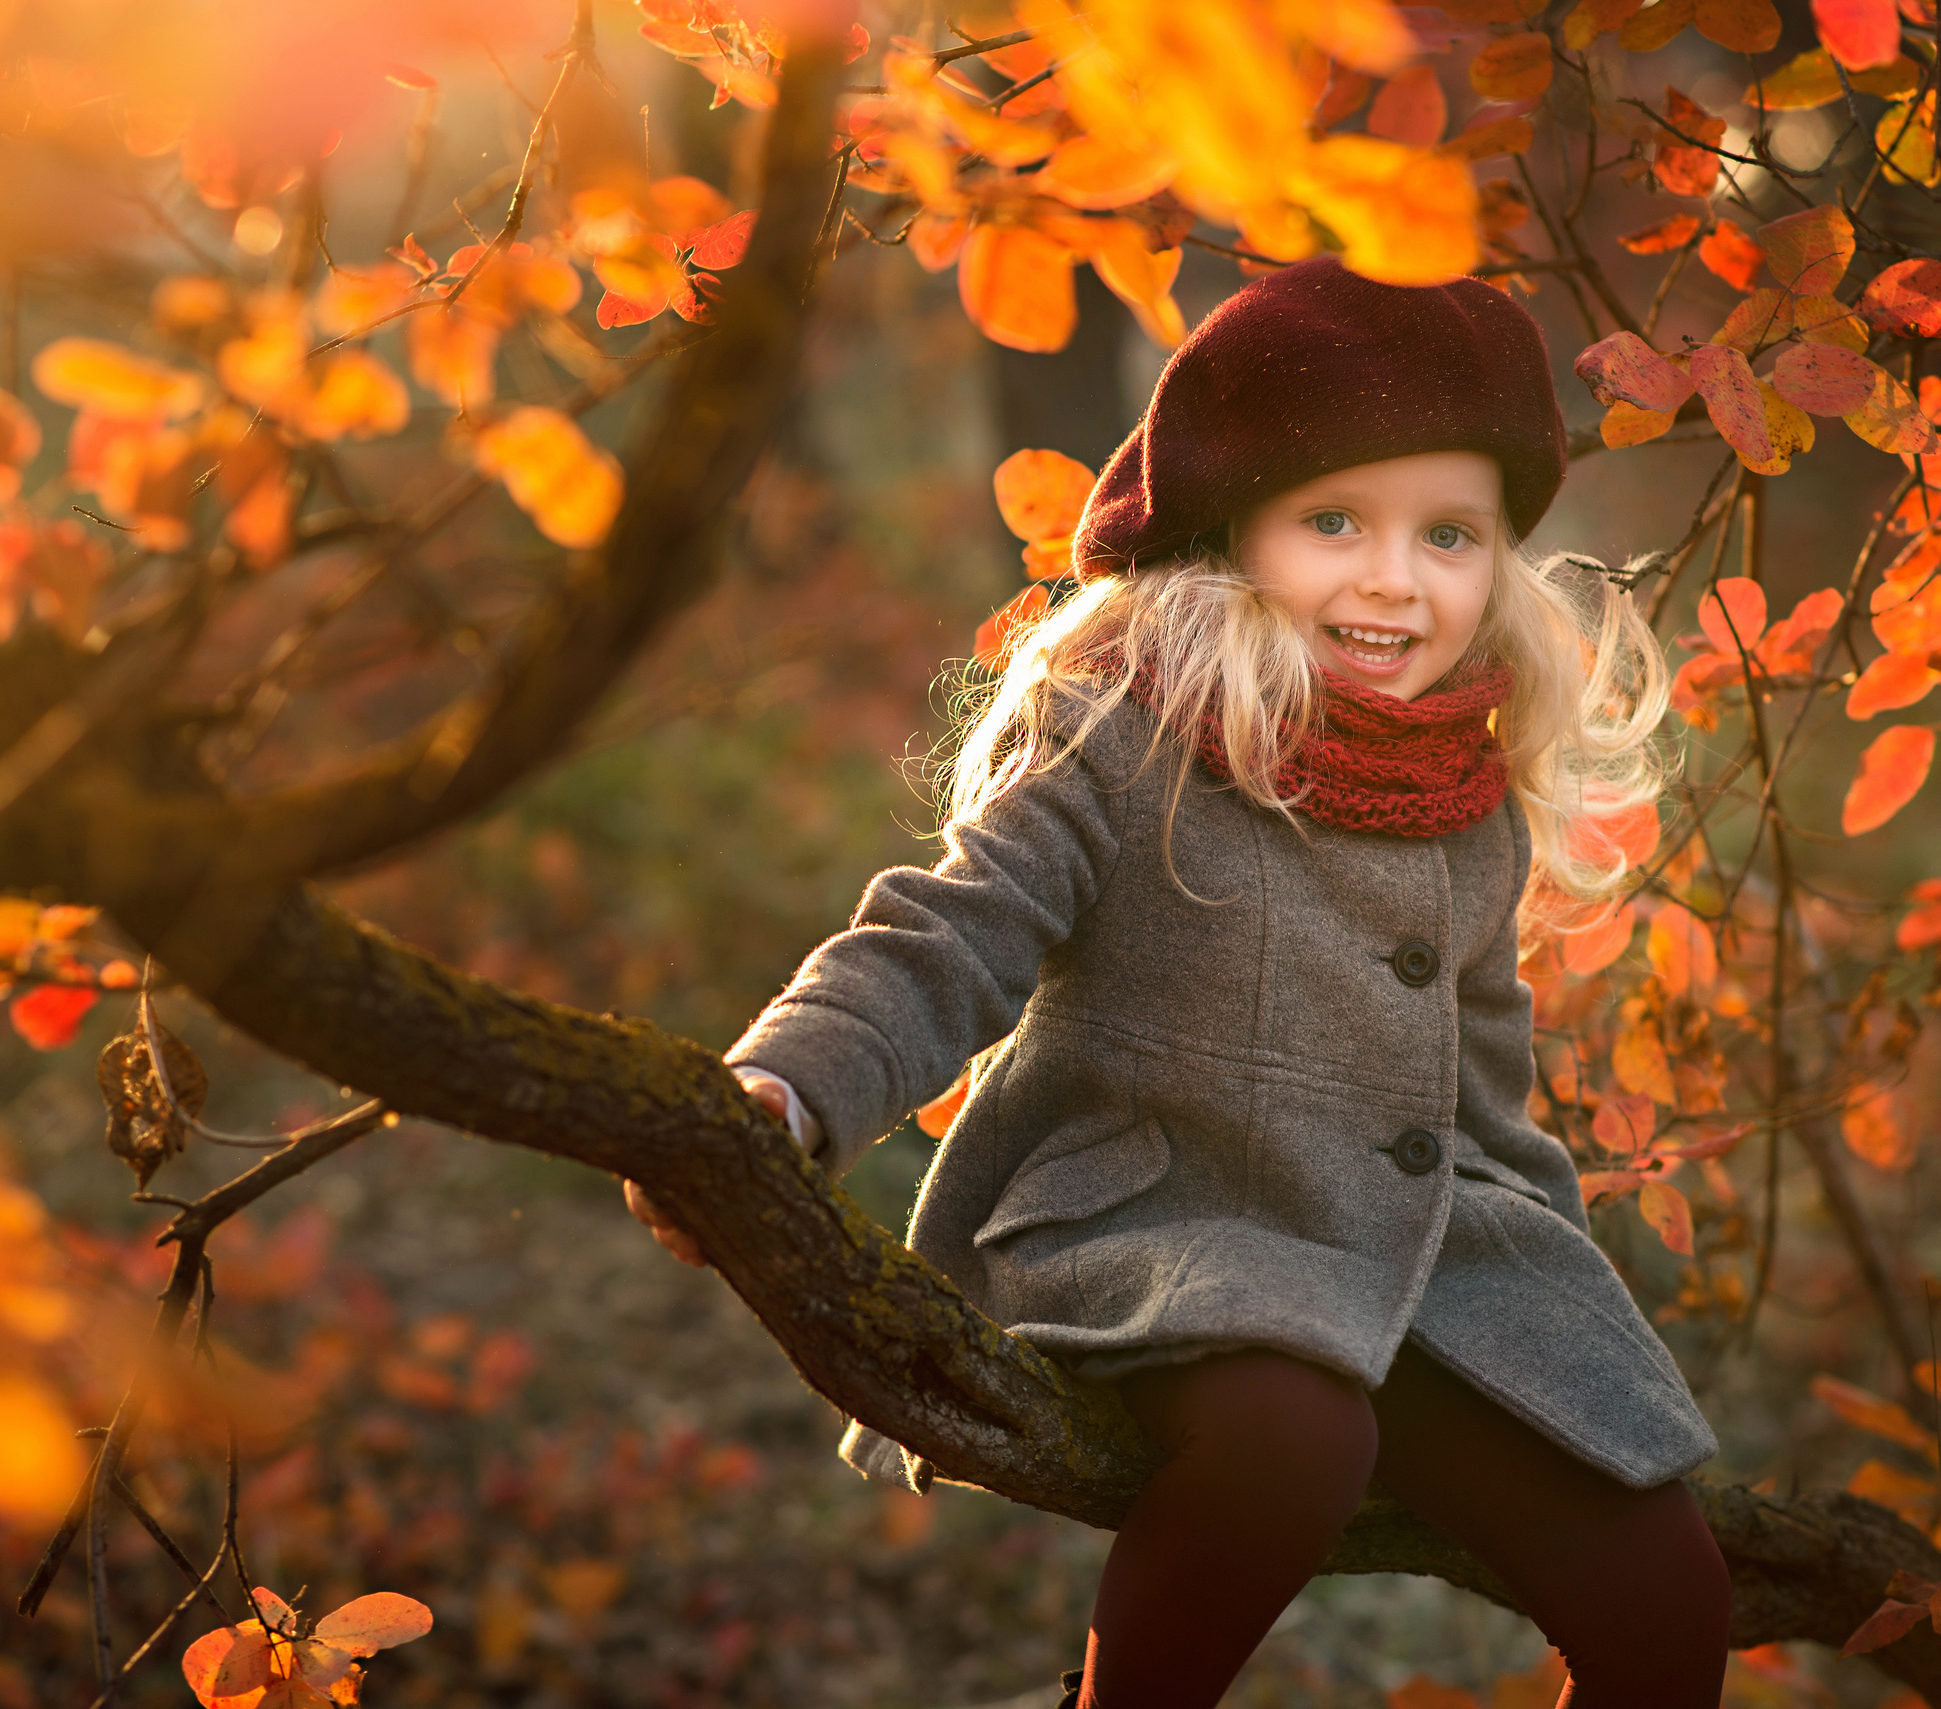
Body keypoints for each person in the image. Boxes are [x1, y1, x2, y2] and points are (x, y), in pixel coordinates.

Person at [624, 258, 1733, 1709]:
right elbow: (948, 936)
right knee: (1295, 1442)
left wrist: (1551, 1316)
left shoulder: (1467, 788)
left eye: (1449, 534)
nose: (1395, 576)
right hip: (1161, 1221)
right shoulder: (1130, 723)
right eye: (1334, 520)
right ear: (1233, 530)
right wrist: (784, 1090)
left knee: (1670, 1585)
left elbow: (1481, 1088)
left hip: (1395, 1253)